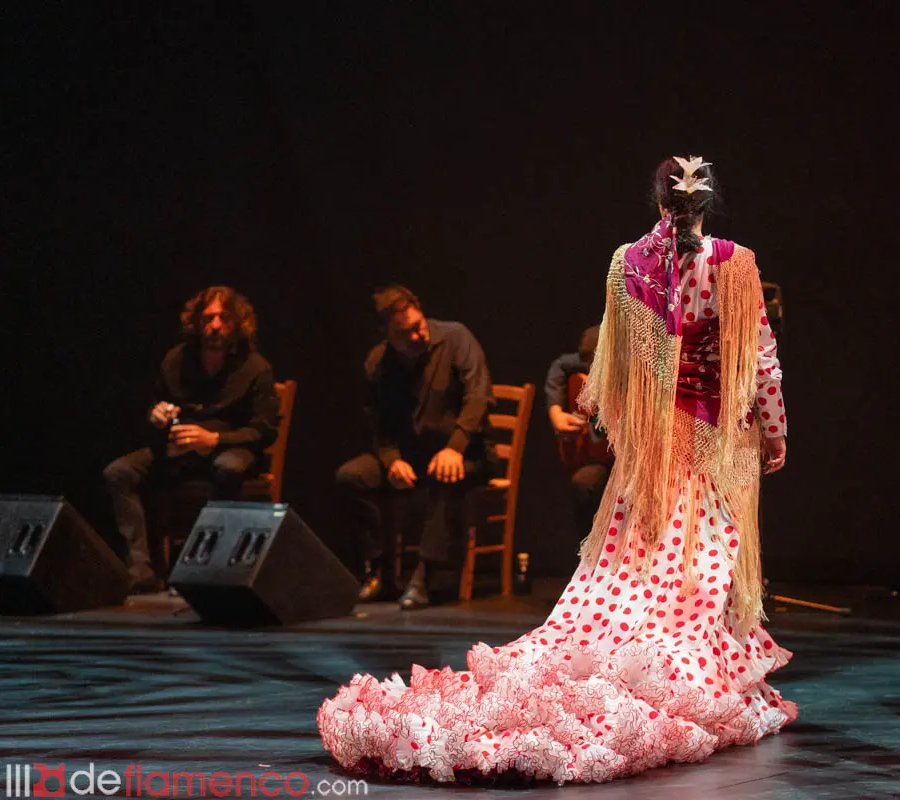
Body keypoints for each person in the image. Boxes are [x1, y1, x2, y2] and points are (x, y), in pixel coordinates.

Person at [317, 156, 796, 784]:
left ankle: (636, 647)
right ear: (707, 205)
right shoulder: (737, 263)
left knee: (635, 562)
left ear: (658, 205)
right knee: (703, 563)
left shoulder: (628, 263)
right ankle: (694, 673)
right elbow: (761, 360)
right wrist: (775, 432)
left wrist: (637, 433)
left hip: (651, 451)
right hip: (717, 442)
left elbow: (614, 371)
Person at [103, 286, 280, 593]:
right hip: (181, 449)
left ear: (237, 323)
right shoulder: (176, 360)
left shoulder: (256, 367)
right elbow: (158, 405)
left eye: (223, 318)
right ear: (197, 323)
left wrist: (214, 438)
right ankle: (142, 568)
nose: (214, 326)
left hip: (230, 447)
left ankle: (210, 563)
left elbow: (263, 431)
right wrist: (156, 415)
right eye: (208, 318)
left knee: (228, 468)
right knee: (119, 472)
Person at [336, 285, 494, 609]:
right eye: (405, 332)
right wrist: (391, 460)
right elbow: (376, 422)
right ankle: (379, 571)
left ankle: (423, 575)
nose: (418, 335)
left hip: (465, 451)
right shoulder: (379, 362)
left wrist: (456, 447)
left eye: (419, 325)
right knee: (351, 476)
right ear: (386, 336)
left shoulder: (455, 337)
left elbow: (479, 396)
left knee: (444, 472)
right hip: (410, 456)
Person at [545, 325, 613, 538]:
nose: (591, 371)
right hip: (603, 457)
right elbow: (560, 365)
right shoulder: (588, 358)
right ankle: (587, 558)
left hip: (636, 462)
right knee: (583, 483)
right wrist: (556, 411)